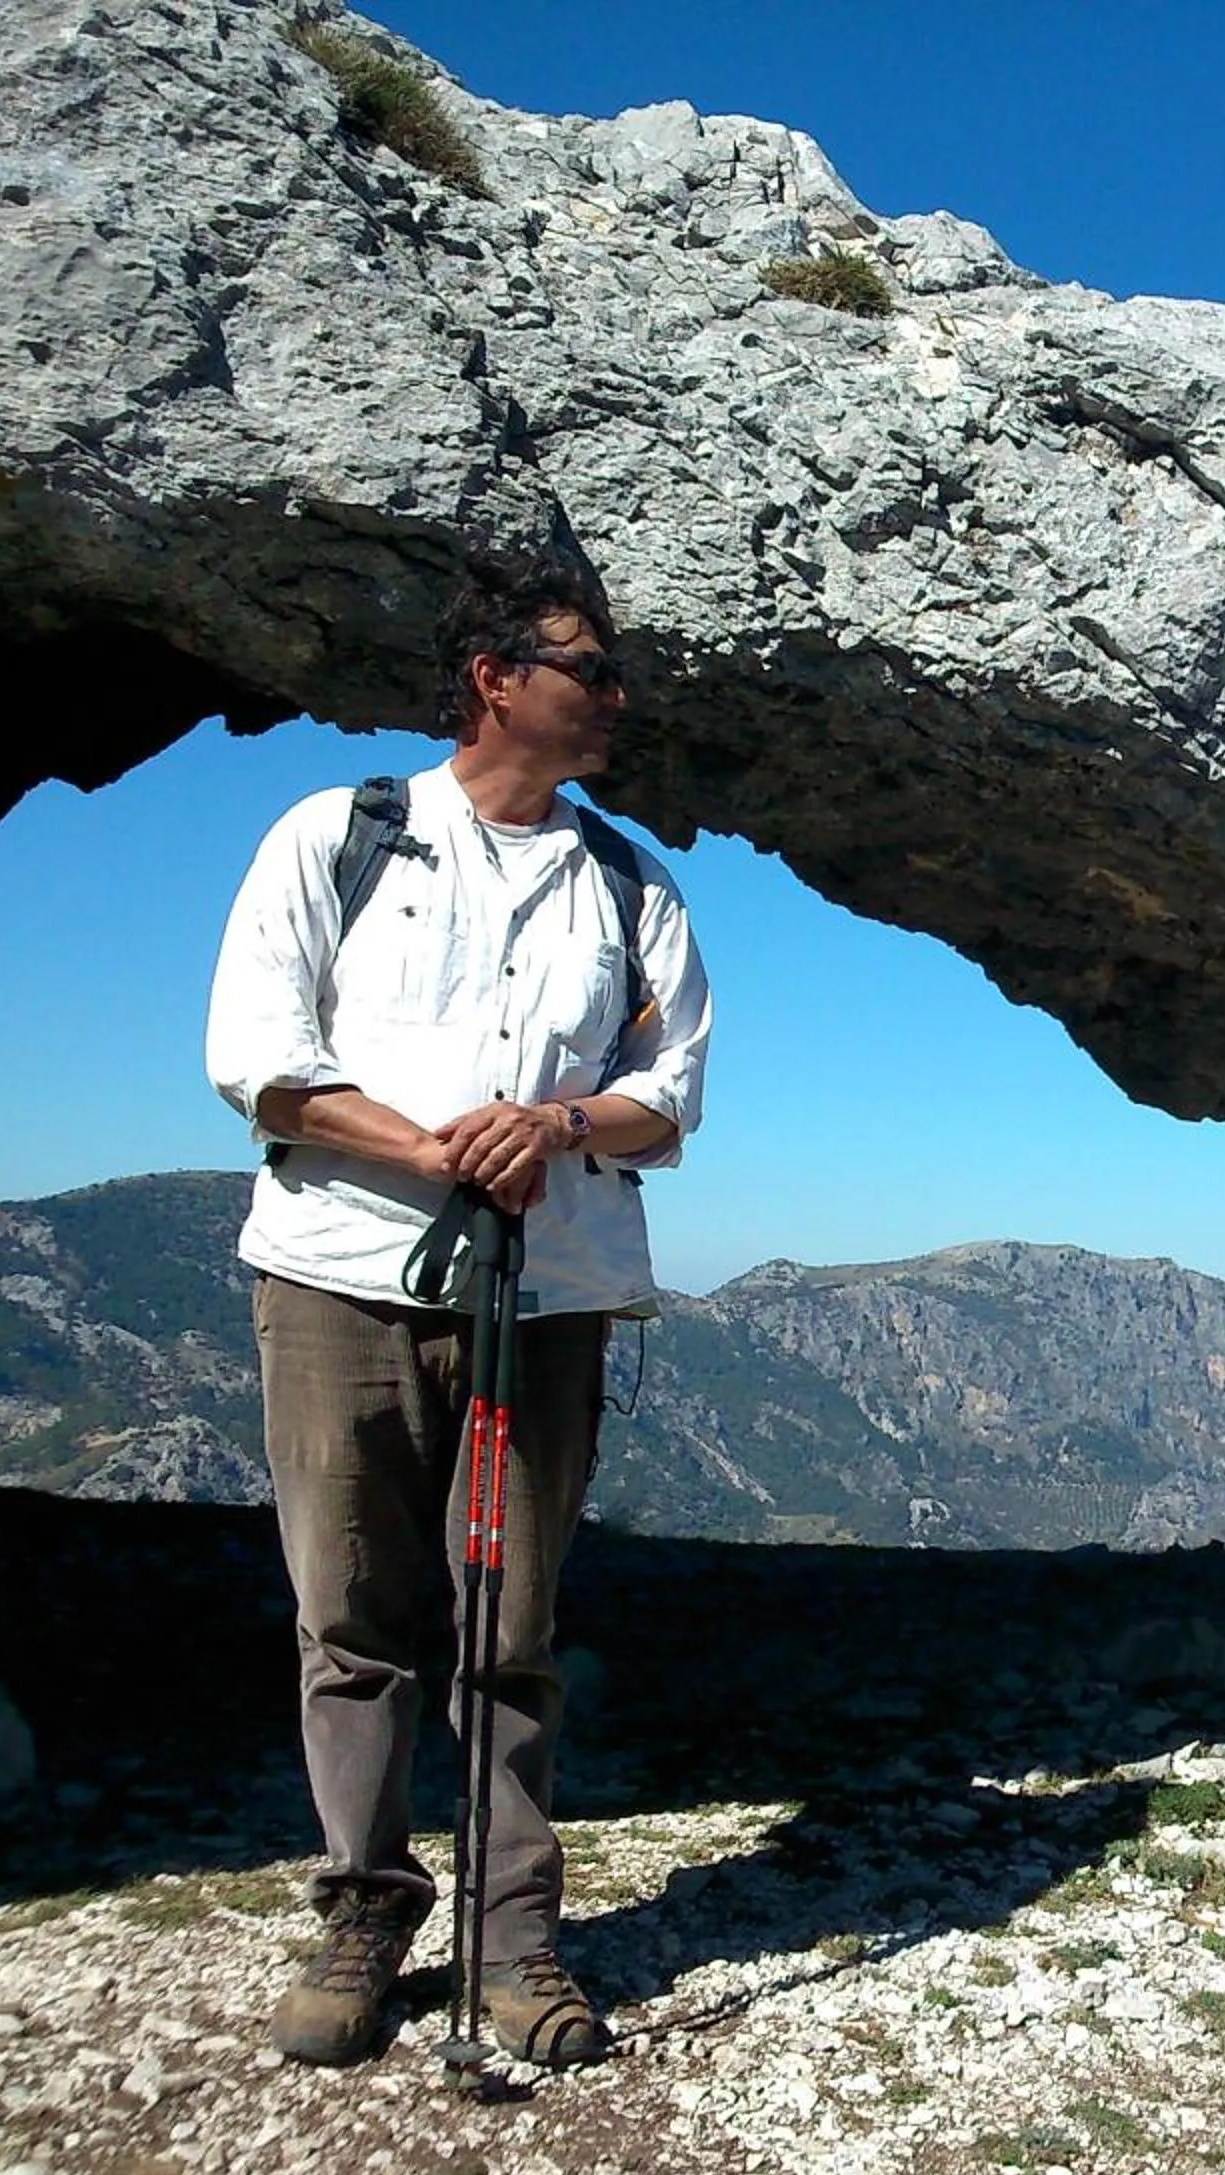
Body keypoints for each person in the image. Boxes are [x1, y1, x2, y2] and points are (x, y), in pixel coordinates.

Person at [204, 550, 712, 2068]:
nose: (615, 697)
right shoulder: (337, 837)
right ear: (496, 676)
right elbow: (257, 1055)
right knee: (350, 1611)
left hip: (543, 1297)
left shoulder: (628, 881)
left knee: (512, 1615)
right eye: (590, 670)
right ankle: (365, 1912)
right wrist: (430, 1145)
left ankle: (514, 1931)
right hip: (339, 1279)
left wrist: (552, 1129)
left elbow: (669, 1100)